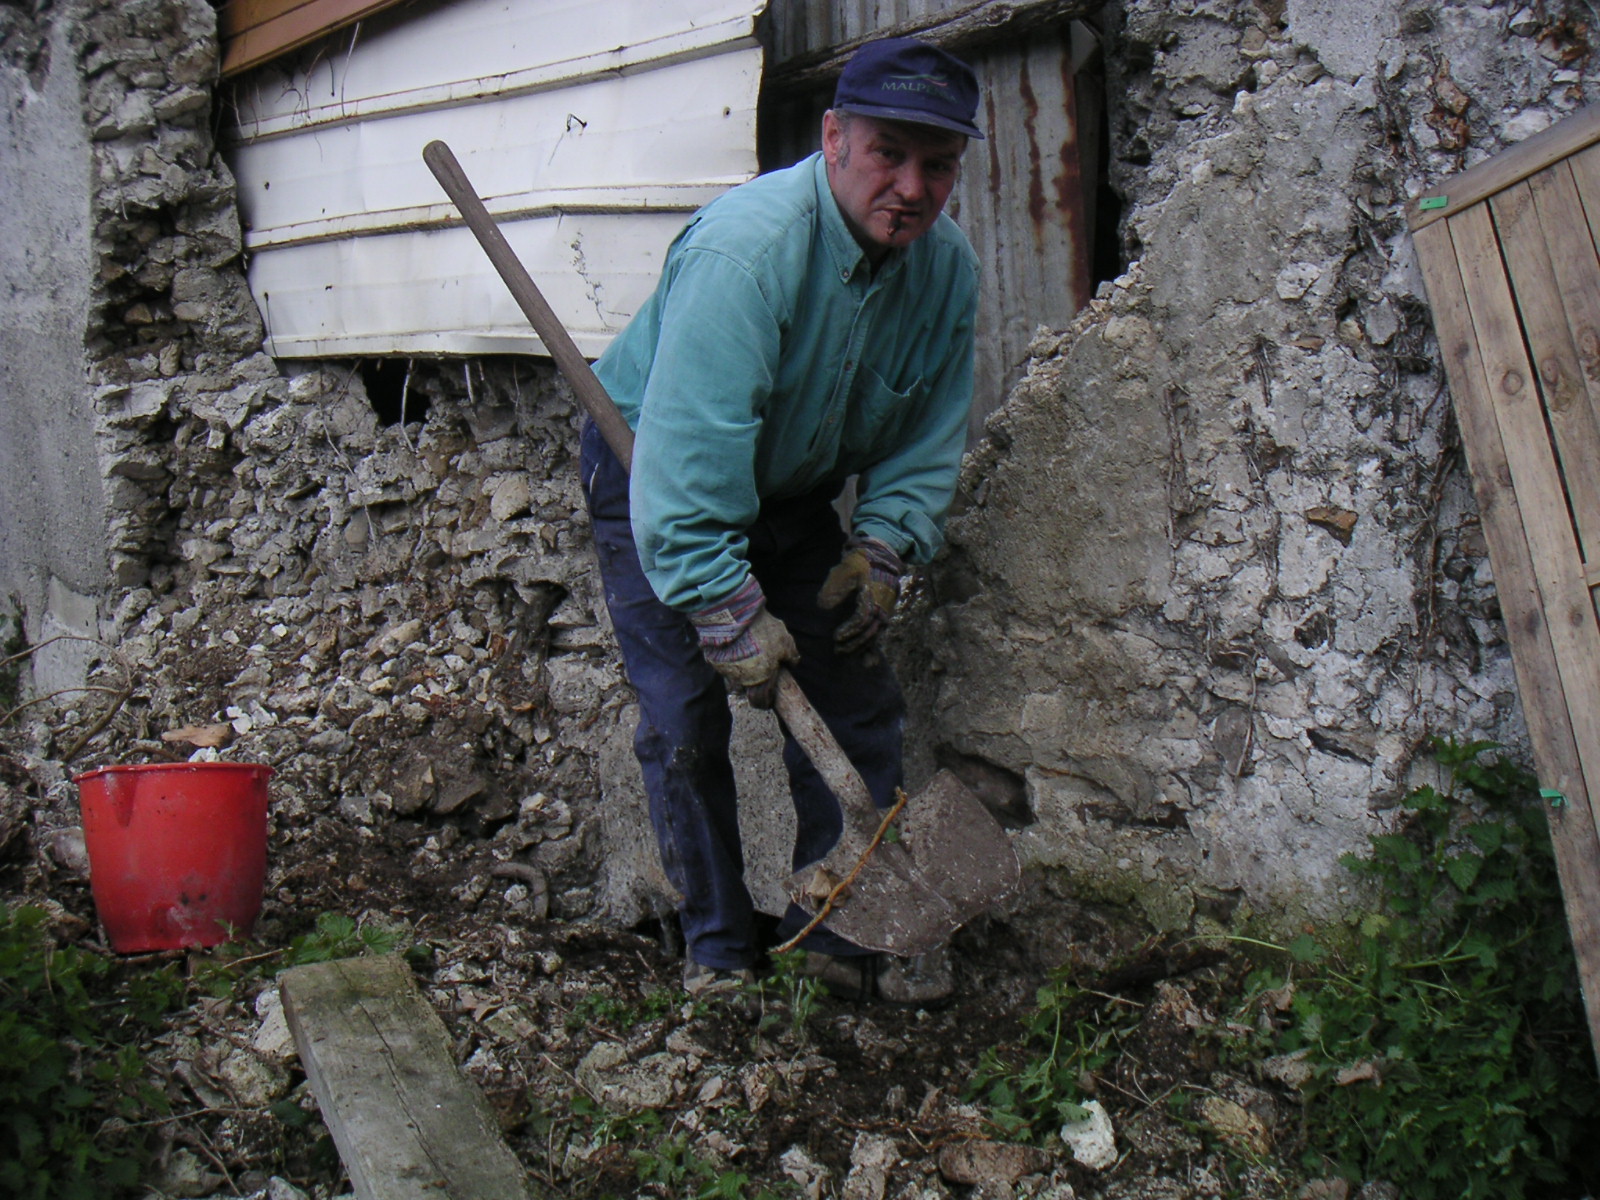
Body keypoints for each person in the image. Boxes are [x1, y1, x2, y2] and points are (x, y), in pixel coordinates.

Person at [580, 36, 983, 1003]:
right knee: (686, 715)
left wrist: (883, 546)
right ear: (834, 137)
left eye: (937, 165)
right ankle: (719, 949)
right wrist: (723, 607)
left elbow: (927, 431)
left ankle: (839, 940)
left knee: (854, 690)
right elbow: (691, 464)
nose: (911, 187)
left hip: (788, 489)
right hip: (654, 471)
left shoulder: (945, 272)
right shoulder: (748, 253)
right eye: (888, 153)